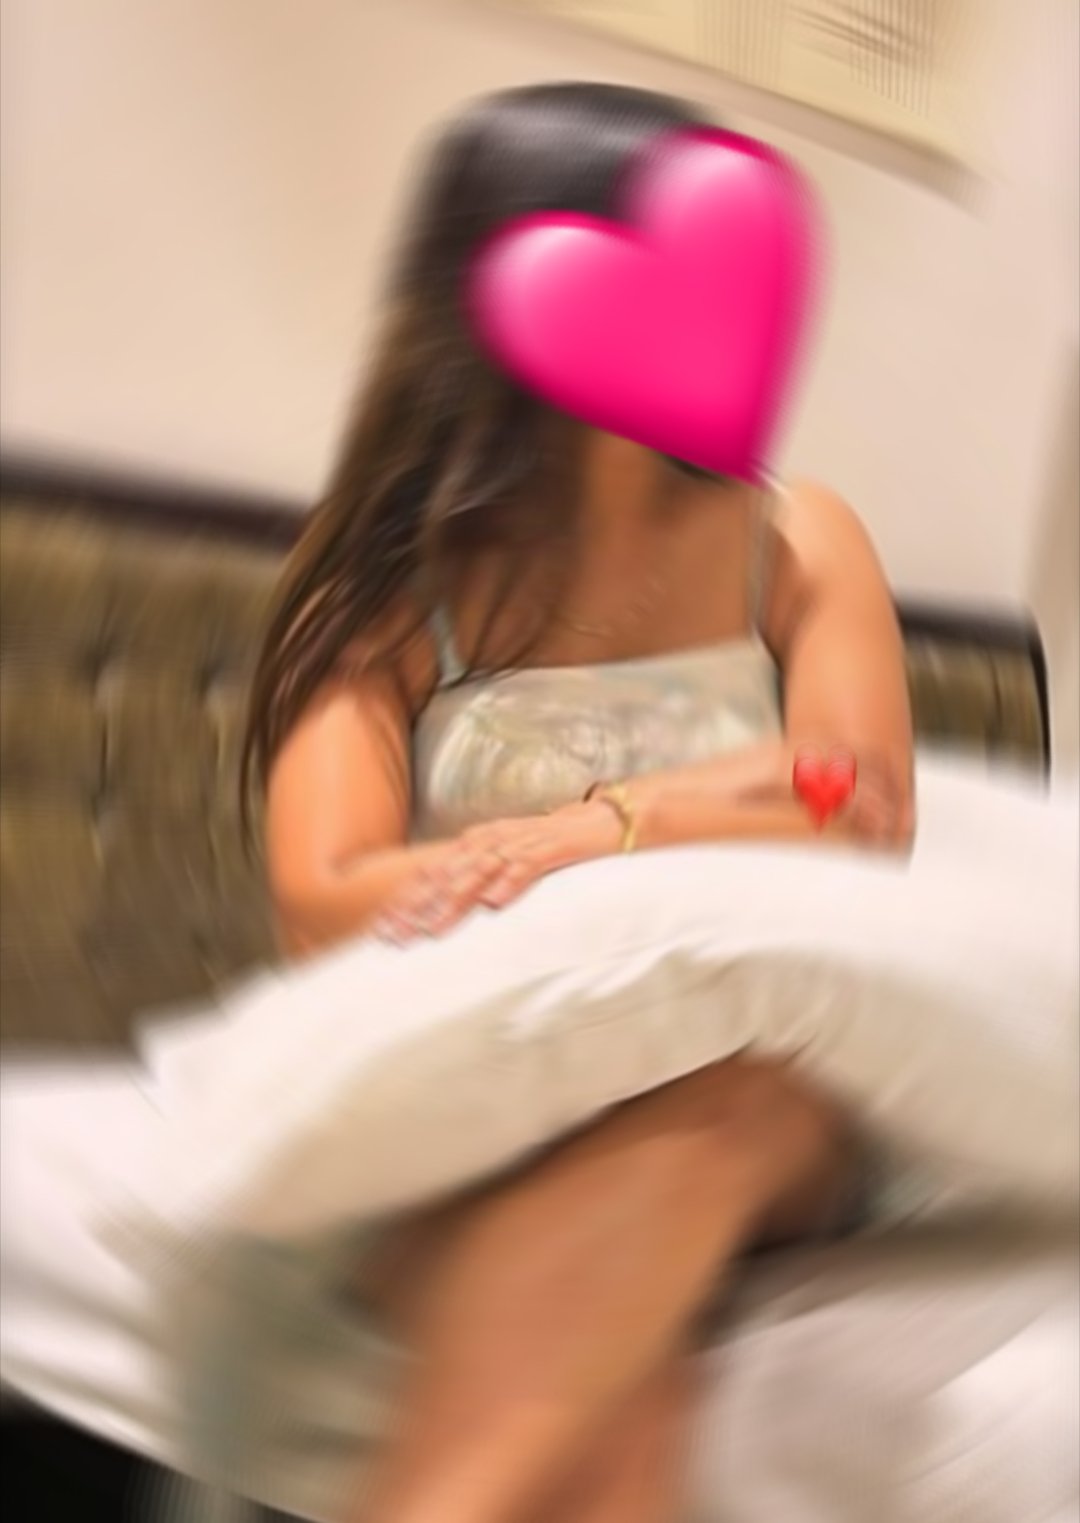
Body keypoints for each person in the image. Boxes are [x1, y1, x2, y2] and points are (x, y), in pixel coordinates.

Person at [241, 82, 915, 1523]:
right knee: (622, 1381)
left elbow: (861, 811)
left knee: (722, 1106)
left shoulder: (798, 540)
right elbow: (324, 902)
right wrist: (728, 804)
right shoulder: (396, 581)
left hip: (756, 1078)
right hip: (487, 1082)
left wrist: (591, 828)